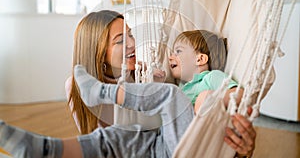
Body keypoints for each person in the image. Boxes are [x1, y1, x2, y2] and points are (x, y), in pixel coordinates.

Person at [0, 29, 255, 158]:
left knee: (170, 97)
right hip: (162, 146)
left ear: (200, 58)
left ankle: (102, 92)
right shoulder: (180, 87)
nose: (170, 56)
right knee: (118, 134)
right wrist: (155, 83)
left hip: (192, 148)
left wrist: (209, 101)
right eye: (123, 39)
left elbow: (239, 96)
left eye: (178, 51)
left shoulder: (210, 78)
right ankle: (43, 149)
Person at [65, 10, 164, 134]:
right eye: (120, 41)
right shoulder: (76, 85)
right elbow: (93, 138)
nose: (132, 44)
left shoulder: (142, 73)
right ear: (98, 51)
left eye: (131, 35)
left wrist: (157, 87)